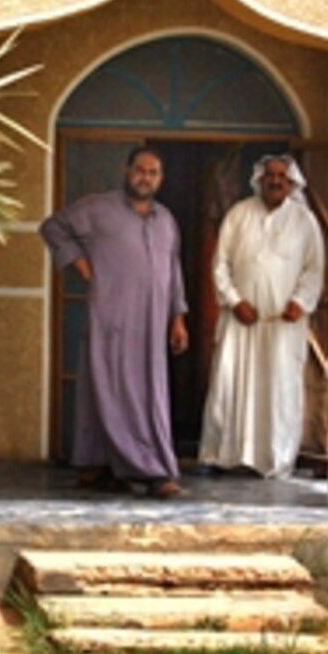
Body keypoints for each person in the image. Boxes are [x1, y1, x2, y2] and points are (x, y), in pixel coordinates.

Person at [39, 145, 189, 499]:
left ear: (161, 178)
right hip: (111, 315)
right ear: (127, 171)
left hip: (151, 325)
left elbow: (174, 273)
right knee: (108, 386)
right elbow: (52, 227)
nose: (145, 177)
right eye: (140, 170)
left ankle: (104, 466)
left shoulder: (166, 220)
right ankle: (151, 470)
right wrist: (80, 264)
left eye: (153, 172)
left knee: (146, 391)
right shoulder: (98, 208)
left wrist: (178, 319)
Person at [197, 154, 325, 478]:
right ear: (259, 180)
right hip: (240, 321)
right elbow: (220, 264)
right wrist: (234, 300)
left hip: (283, 325)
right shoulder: (238, 214)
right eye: (270, 175)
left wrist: (301, 301)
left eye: (282, 176)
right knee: (230, 384)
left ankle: (275, 460)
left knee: (278, 389)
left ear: (292, 182)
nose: (276, 180)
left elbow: (314, 268)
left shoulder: (304, 220)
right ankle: (221, 456)